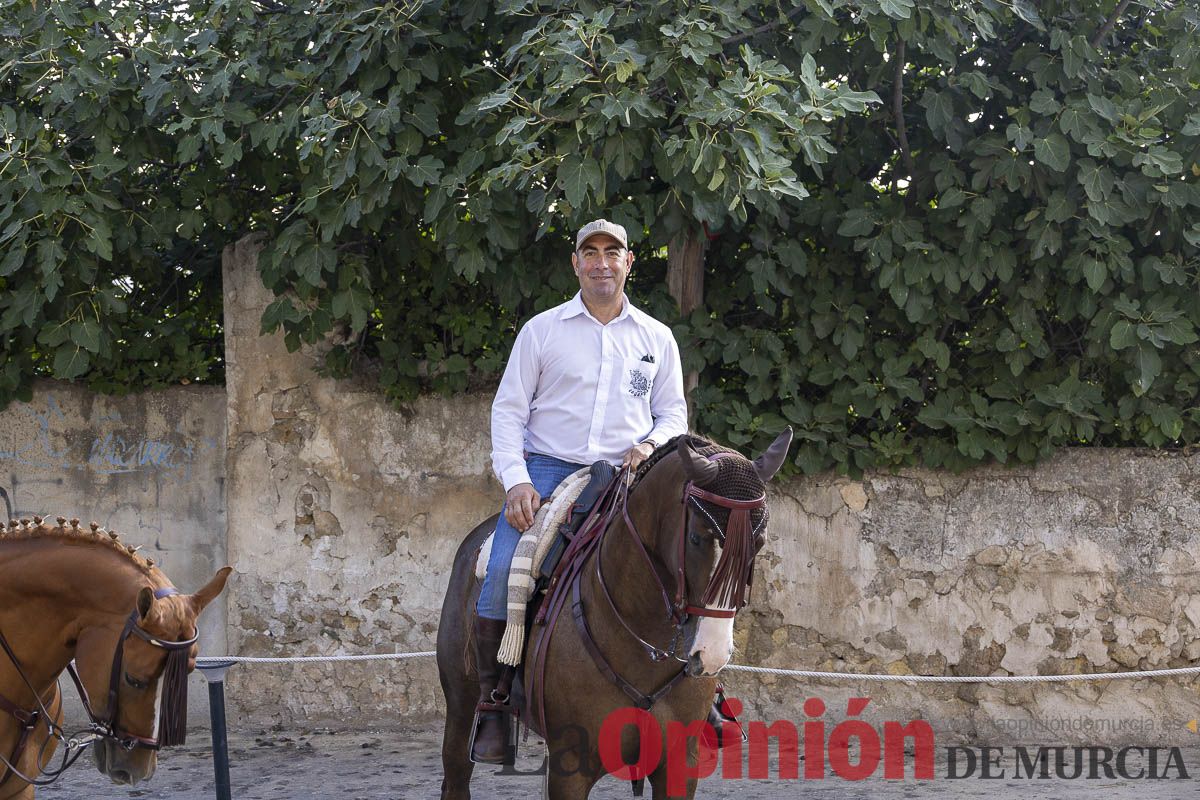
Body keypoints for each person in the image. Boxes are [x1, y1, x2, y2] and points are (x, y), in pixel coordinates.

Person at [471, 218, 688, 763]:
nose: (601, 262)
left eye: (612, 252)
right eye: (590, 252)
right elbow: (509, 411)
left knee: (685, 562)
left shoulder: (656, 337)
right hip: (548, 468)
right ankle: (494, 701)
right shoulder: (542, 331)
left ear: (628, 262)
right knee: (503, 567)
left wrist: (651, 444)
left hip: (627, 472)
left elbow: (674, 415)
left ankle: (699, 694)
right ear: (576, 264)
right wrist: (517, 481)